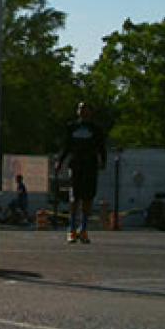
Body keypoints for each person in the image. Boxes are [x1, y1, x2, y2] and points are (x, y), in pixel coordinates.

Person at [55, 102, 106, 243]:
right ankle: (71, 229)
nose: (83, 111)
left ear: (91, 111)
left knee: (88, 197)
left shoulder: (96, 129)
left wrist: (103, 161)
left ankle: (83, 229)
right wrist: (60, 161)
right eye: (81, 108)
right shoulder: (71, 127)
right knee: (74, 197)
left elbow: (101, 147)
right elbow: (66, 146)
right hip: (76, 164)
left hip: (90, 165)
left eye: (86, 109)